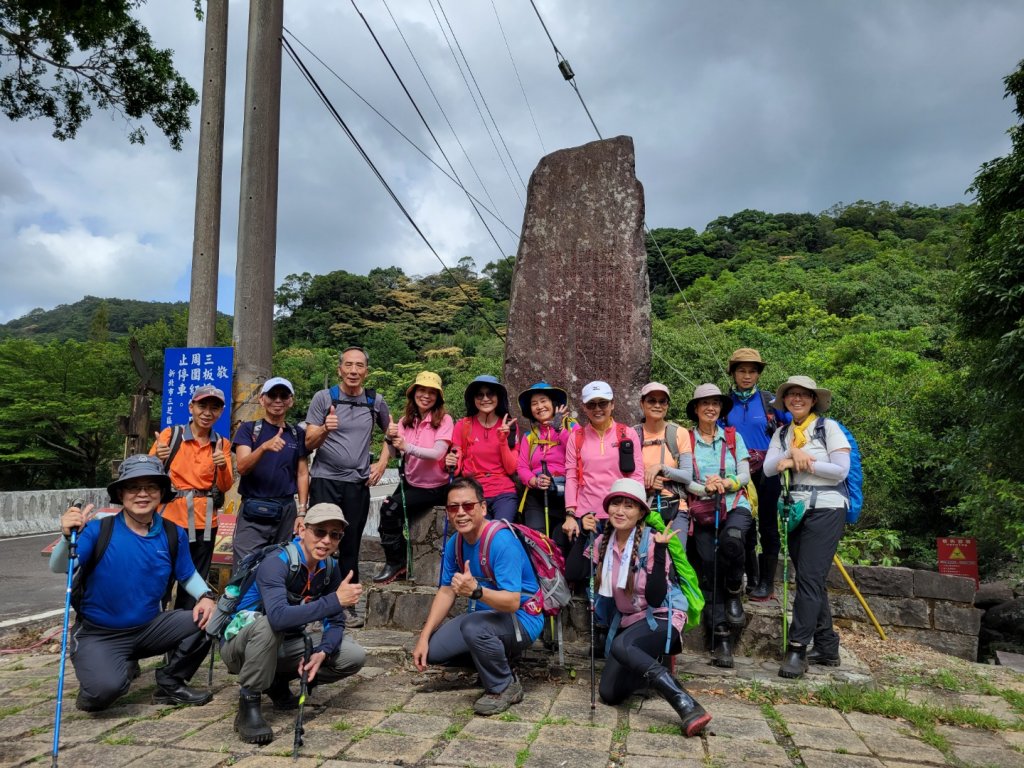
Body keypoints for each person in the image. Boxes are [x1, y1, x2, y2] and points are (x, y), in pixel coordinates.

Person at [49, 454, 216, 711]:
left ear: (161, 493)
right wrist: (66, 537)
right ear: (121, 494)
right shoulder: (98, 530)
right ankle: (104, 672)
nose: (142, 494)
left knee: (213, 617)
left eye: (151, 487)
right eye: (133, 487)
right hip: (100, 633)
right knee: (104, 694)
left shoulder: (173, 533)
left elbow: (187, 575)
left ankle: (171, 682)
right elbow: (59, 566)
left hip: (149, 628)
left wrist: (206, 597)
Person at [564, 478, 711, 737]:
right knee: (609, 693)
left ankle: (684, 701)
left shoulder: (653, 542)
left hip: (662, 615)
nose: (620, 511)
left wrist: (663, 551)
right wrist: (581, 535)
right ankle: (652, 664)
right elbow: (574, 572)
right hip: (630, 621)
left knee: (622, 646)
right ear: (607, 509)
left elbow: (656, 598)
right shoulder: (602, 543)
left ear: (641, 512)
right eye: (615, 504)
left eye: (629, 506)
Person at [220, 502, 366, 744]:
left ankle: (276, 681)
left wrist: (322, 651)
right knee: (269, 625)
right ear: (302, 530)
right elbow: (278, 617)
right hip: (240, 647)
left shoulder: (329, 567)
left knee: (352, 655)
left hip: (281, 644)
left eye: (335, 535)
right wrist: (335, 600)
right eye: (320, 531)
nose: (327, 540)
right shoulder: (275, 564)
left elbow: (335, 621)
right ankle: (249, 703)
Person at [412, 476, 542, 716]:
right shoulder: (455, 543)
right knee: (434, 651)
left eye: (468, 506)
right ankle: (492, 665)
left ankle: (503, 686)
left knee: (473, 628)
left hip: (522, 620)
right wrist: (423, 636)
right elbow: (446, 590)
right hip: (486, 619)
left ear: (483, 508)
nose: (461, 513)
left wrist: (476, 592)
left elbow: (513, 602)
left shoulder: (502, 542)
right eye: (453, 507)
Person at [764, 375, 851, 679]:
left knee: (809, 579)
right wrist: (790, 453)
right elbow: (766, 467)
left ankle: (798, 648)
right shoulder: (783, 434)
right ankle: (827, 645)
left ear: (814, 400)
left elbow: (841, 471)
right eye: (791, 395)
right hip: (796, 510)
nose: (797, 399)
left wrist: (805, 462)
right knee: (809, 578)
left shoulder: (829, 429)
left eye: (803, 395)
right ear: (785, 401)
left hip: (827, 508)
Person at [304, 346, 391, 627]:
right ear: (339, 368)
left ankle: (347, 606)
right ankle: (316, 603)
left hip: (356, 483)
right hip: (325, 480)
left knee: (350, 545)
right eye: (348, 365)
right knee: (318, 543)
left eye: (359, 366)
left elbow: (392, 434)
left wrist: (382, 463)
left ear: (366, 371)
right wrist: (325, 429)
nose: (354, 371)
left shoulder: (374, 401)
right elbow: (308, 443)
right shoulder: (323, 398)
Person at [684, 383, 752, 668]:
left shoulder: (733, 439)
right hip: (703, 510)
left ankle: (735, 587)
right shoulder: (686, 440)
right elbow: (684, 478)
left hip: (735, 504)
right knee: (709, 571)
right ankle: (721, 638)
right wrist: (703, 488)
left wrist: (727, 483)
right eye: (704, 404)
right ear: (696, 409)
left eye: (715, 403)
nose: (710, 408)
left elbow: (746, 475)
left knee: (733, 541)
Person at [151, 384, 234, 610]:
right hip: (170, 520)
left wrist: (223, 466)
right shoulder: (171, 435)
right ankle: (152, 630)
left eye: (214, 408)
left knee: (195, 581)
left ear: (221, 412)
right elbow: (148, 476)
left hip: (205, 523)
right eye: (202, 406)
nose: (207, 412)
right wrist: (158, 458)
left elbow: (225, 486)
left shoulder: (222, 443)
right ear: (191, 406)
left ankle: (183, 635)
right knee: (162, 579)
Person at [374, 371, 454, 584]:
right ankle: (397, 561)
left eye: (431, 392)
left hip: (435, 485)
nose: (426, 395)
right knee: (388, 513)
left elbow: (437, 453)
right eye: (422, 390)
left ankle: (397, 562)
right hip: (410, 481)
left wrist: (406, 446)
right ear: (414, 393)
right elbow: (394, 454)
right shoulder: (405, 421)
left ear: (438, 397)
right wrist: (390, 438)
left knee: (391, 509)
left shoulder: (444, 420)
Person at [725, 348, 788, 601]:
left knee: (769, 525)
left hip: (767, 471)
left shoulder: (770, 402)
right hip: (738, 471)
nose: (747, 376)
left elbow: (796, 424)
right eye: (742, 370)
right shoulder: (724, 404)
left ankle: (767, 583)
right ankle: (751, 580)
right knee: (746, 526)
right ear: (733, 373)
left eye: (752, 371)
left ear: (759, 374)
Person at [231, 376, 309, 567]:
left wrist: (301, 512)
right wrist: (263, 447)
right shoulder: (248, 430)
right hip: (254, 507)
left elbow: (302, 473)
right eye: (272, 395)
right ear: (262, 399)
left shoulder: (296, 433)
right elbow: (242, 467)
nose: (278, 400)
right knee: (245, 568)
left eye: (284, 395)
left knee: (280, 567)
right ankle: (241, 598)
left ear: (291, 401)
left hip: (286, 510)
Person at [563, 381, 643, 539]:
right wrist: (570, 514)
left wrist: (634, 511)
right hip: (587, 515)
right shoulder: (576, 437)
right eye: (591, 404)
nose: (597, 409)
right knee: (589, 562)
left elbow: (637, 475)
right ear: (584, 407)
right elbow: (571, 476)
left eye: (603, 403)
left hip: (620, 514)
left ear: (612, 404)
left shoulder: (627, 433)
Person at [516, 381, 576, 556]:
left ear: (554, 404)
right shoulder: (530, 437)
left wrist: (559, 429)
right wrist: (534, 480)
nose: (539, 407)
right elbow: (522, 467)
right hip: (537, 494)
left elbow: (578, 451)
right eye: (534, 404)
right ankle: (542, 578)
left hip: (566, 492)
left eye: (543, 401)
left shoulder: (571, 427)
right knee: (536, 538)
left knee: (564, 539)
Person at [446, 375, 518, 522]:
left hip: (503, 491)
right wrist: (449, 462)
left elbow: (511, 468)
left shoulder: (509, 426)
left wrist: (503, 440)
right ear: (473, 399)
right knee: (479, 534)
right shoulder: (463, 425)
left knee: (500, 530)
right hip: (473, 492)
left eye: (490, 393)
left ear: (498, 397)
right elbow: (456, 466)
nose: (485, 398)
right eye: (480, 395)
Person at [634, 382, 693, 543]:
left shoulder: (679, 433)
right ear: (642, 403)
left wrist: (661, 468)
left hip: (676, 507)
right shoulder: (632, 435)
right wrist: (647, 483)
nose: (657, 405)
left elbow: (687, 475)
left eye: (662, 401)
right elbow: (623, 475)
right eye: (652, 401)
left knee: (677, 559)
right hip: (641, 507)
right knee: (644, 560)